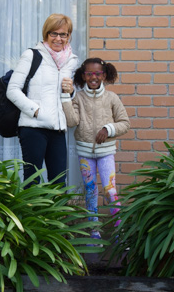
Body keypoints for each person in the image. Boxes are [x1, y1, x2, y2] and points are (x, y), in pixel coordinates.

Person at [6, 13, 80, 186]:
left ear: (69, 36)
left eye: (63, 34)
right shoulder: (32, 56)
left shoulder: (70, 60)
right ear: (46, 34)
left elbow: (62, 94)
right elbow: (12, 90)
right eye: (53, 33)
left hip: (58, 128)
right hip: (33, 128)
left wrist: (71, 92)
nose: (58, 38)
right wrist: (36, 110)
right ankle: (33, 214)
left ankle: (56, 214)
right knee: (32, 180)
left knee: (59, 182)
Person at [61, 58, 130, 241]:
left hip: (106, 152)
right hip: (85, 154)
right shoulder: (78, 98)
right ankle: (94, 231)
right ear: (83, 76)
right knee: (90, 190)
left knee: (110, 191)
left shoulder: (111, 98)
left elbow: (125, 123)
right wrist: (65, 97)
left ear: (104, 75)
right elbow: (71, 122)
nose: (93, 77)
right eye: (89, 73)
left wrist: (108, 129)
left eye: (97, 73)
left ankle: (119, 230)